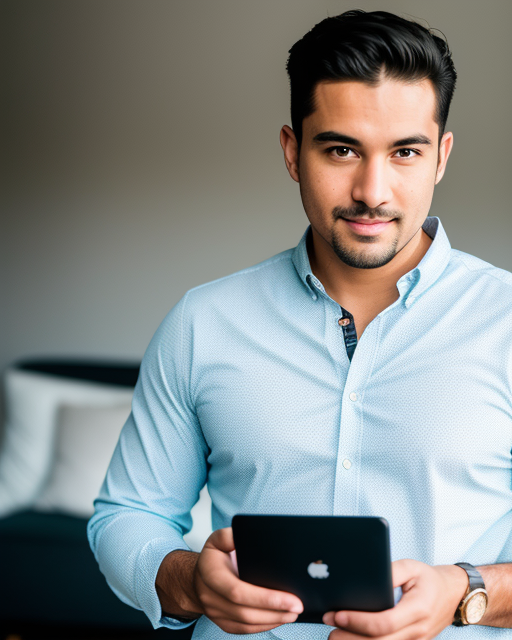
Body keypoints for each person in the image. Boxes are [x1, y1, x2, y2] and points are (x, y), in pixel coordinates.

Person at [88, 10, 512, 640]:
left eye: (405, 152)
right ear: (293, 151)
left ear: (441, 156)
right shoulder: (202, 323)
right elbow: (128, 514)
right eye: (341, 149)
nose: (373, 190)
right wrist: (188, 581)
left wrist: (465, 590)